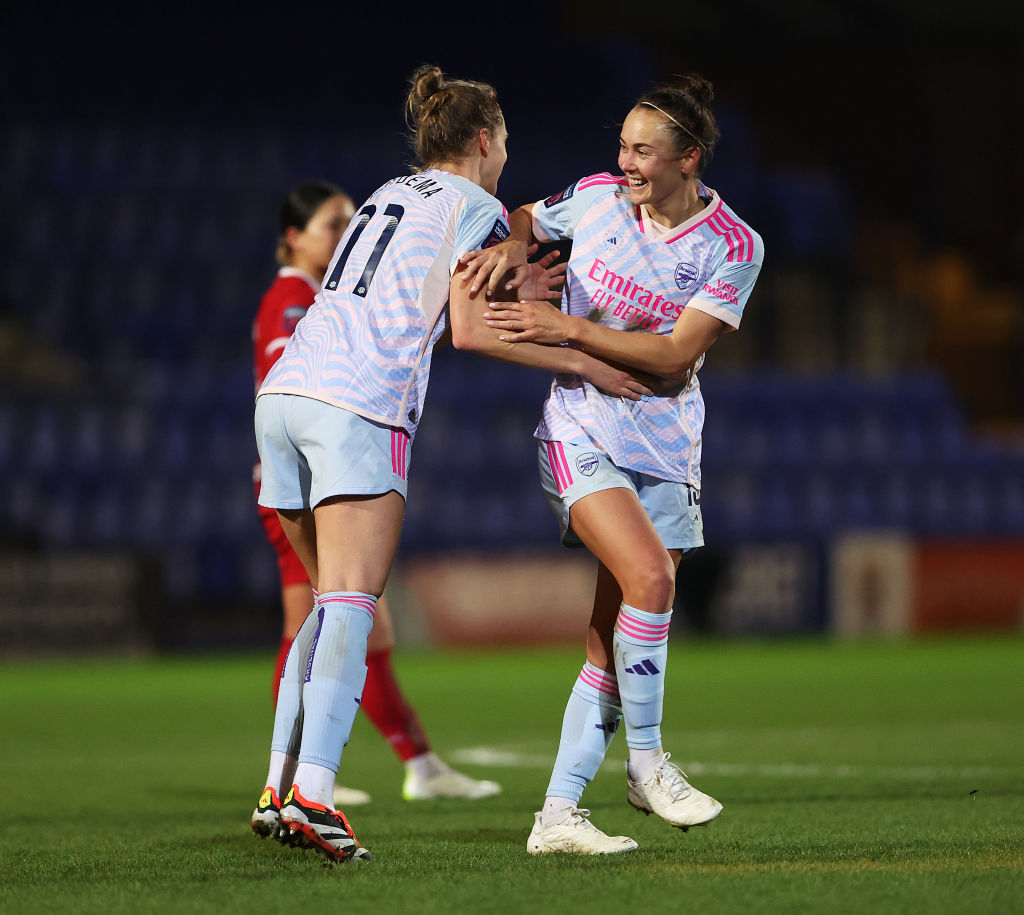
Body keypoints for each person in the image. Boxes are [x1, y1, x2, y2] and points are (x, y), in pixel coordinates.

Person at [249, 64, 653, 864]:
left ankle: (276, 785)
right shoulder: (477, 206)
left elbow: (419, 301)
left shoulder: (384, 195)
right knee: (351, 601)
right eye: (503, 141)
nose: (507, 155)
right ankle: (317, 798)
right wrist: (586, 360)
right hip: (356, 406)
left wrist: (518, 287)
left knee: (320, 609)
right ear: (481, 140)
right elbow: (469, 331)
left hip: (285, 397)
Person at [462, 74, 764, 855]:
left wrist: (566, 325)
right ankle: (649, 761)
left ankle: (557, 815)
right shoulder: (597, 195)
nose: (624, 161)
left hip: (665, 445)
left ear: (688, 158)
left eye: (642, 151)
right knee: (654, 581)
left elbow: (670, 356)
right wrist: (512, 243)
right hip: (580, 427)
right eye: (623, 145)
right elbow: (531, 213)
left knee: (611, 639)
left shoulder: (733, 245)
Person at [252, 180, 502, 807]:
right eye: (329, 225)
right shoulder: (291, 298)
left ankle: (407, 762)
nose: (343, 236)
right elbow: (290, 374)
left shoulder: (325, 294)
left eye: (345, 222)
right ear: (293, 238)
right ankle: (300, 784)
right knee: (331, 614)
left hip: (296, 447)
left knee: (362, 624)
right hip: (316, 466)